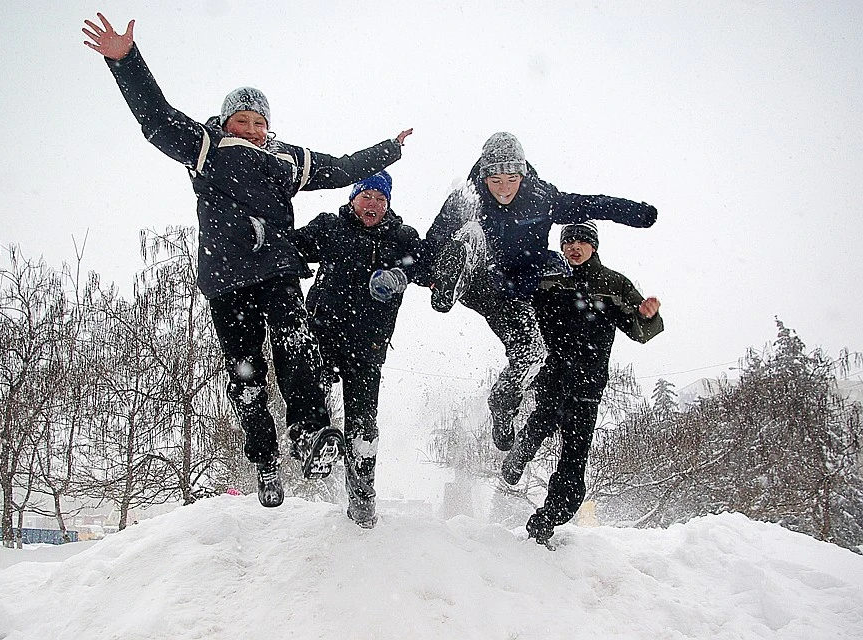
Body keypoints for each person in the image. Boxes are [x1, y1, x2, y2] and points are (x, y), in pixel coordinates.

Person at [82, 14, 413, 509]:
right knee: (246, 373)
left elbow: (342, 169)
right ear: (227, 121)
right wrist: (125, 61)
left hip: (277, 273)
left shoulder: (287, 160)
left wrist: (387, 150)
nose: (254, 129)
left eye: (260, 122)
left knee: (296, 349)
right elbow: (156, 119)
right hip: (228, 279)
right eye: (244, 120)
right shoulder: (209, 148)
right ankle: (264, 462)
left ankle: (309, 434)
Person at [421, 132, 658, 455]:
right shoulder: (465, 198)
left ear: (522, 175)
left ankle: (503, 403)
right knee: (472, 232)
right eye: (495, 179)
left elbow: (589, 204)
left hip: (513, 294)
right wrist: (426, 277)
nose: (504, 188)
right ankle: (450, 283)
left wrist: (635, 213)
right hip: (477, 282)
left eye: (511, 179)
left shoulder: (540, 196)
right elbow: (431, 244)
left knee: (532, 353)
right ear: (484, 176)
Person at [501, 221, 663, 547]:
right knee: (543, 419)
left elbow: (639, 331)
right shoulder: (549, 278)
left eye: (581, 242)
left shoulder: (613, 284)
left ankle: (549, 518)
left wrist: (646, 317)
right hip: (552, 375)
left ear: (594, 246)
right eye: (568, 242)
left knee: (574, 459)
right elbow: (513, 300)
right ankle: (519, 453)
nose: (574, 247)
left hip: (588, 384)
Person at [290, 171, 422, 528]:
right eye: (368, 197)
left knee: (363, 425)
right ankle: (310, 440)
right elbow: (293, 245)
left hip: (368, 345)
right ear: (354, 198)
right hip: (323, 333)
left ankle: (362, 498)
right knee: (305, 382)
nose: (374, 206)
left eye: (381, 200)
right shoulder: (331, 227)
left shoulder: (400, 236)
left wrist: (399, 274)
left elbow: (422, 262)